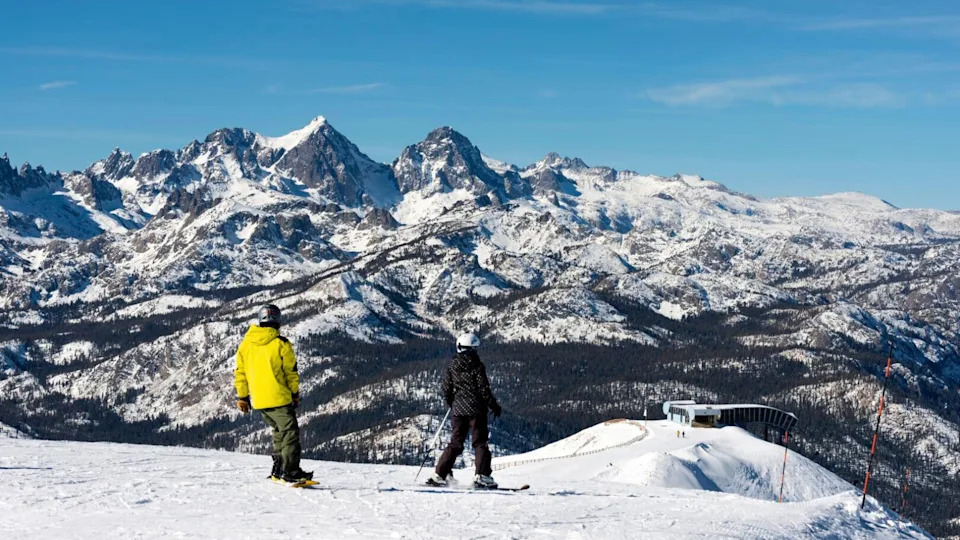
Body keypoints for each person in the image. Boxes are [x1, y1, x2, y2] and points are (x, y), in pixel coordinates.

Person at [235, 304, 312, 483]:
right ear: (278, 320)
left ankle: (278, 469)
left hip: (259, 400)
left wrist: (243, 397)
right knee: (290, 432)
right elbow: (291, 373)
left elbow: (240, 373)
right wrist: (295, 394)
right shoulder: (281, 343)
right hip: (279, 397)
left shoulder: (246, 344)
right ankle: (291, 471)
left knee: (278, 431)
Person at [427, 333, 502, 489]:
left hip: (458, 409)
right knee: (480, 442)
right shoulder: (477, 365)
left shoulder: (452, 365)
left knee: (455, 442)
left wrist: (453, 403)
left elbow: (446, 388)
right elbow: (484, 389)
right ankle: (482, 476)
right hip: (477, 410)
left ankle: (440, 474)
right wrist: (494, 406)